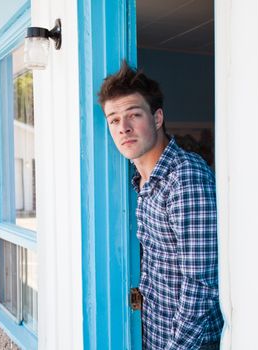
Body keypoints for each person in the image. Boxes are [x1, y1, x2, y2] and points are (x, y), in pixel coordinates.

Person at [98, 61, 223, 350]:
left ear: (157, 118)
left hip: (193, 344)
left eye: (134, 115)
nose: (123, 128)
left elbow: (201, 284)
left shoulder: (185, 177)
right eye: (114, 120)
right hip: (156, 335)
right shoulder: (142, 181)